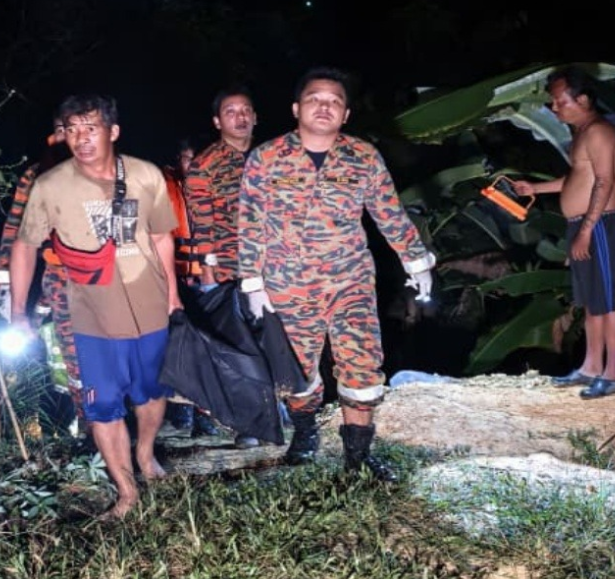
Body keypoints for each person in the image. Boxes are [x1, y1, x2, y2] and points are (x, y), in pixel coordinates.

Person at [237, 66, 436, 481]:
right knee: (298, 371)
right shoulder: (266, 157)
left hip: (351, 283)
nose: (324, 106)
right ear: (296, 108)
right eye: (315, 99)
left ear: (345, 114)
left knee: (362, 365)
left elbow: (389, 214)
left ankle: (358, 456)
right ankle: (306, 432)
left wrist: (416, 261)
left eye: (334, 101)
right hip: (287, 284)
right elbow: (250, 221)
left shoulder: (363, 156)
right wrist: (252, 281)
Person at [9, 94, 183, 519]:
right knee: (101, 405)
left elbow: (162, 236)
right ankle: (126, 493)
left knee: (150, 392)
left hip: (148, 304)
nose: (81, 138)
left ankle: (145, 454)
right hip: (89, 311)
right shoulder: (50, 186)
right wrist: (17, 312)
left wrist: (173, 294)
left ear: (113, 131)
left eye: (91, 128)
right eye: (72, 129)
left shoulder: (145, 175)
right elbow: (25, 245)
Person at [512, 65, 615, 399]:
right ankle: (590, 368)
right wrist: (535, 188)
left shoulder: (599, 131)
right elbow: (578, 180)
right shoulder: (581, 133)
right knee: (592, 305)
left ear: (582, 98)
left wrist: (586, 229)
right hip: (583, 225)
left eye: (559, 101)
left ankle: (611, 374)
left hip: (600, 224)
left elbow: (604, 180)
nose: (553, 108)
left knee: (609, 303)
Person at [0, 117, 88, 435]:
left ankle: (94, 422)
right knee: (58, 350)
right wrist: (4, 279)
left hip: (97, 281)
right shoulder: (35, 176)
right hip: (51, 278)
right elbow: (15, 230)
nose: (68, 137)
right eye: (62, 130)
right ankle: (67, 422)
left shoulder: (98, 170)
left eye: (76, 130)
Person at [185, 84, 262, 447]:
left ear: (255, 117)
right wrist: (211, 277)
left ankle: (284, 413)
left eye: (245, 110)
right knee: (237, 348)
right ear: (218, 121)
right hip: (230, 272)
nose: (240, 117)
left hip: (276, 270)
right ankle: (248, 423)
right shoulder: (205, 166)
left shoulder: (271, 159)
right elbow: (202, 228)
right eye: (231, 112)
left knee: (274, 342)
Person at [161, 137, 219, 437]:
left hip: (206, 278)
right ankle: (179, 407)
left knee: (206, 346)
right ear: (177, 160)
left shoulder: (210, 185)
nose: (192, 165)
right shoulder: (162, 185)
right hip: (174, 278)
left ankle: (203, 411)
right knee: (177, 346)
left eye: (196, 159)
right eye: (187, 158)